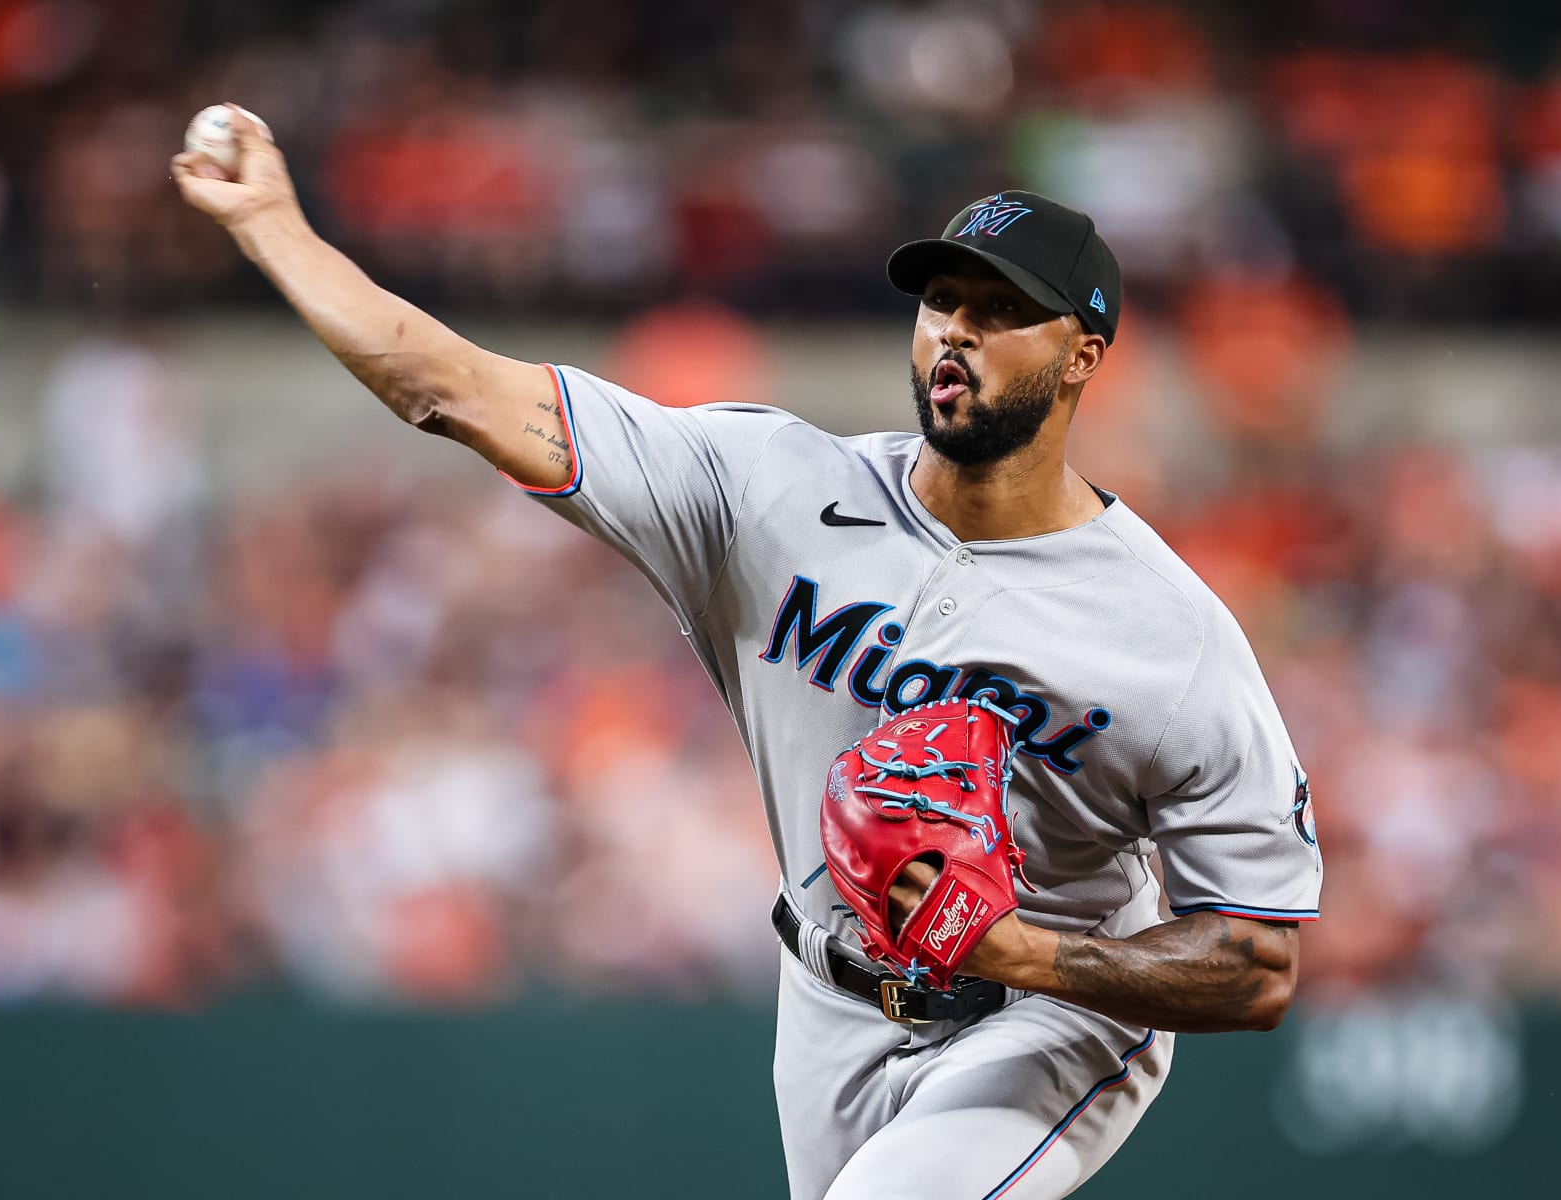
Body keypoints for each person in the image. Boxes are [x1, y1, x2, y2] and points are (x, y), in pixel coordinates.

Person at [174, 109, 1322, 1200]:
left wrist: (1022, 952)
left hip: (1050, 1019)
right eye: (941, 300)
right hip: (822, 998)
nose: (956, 331)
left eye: (1001, 311)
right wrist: (272, 225)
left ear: (1083, 357)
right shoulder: (769, 492)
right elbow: (451, 387)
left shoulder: (1168, 637)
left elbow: (1258, 964)